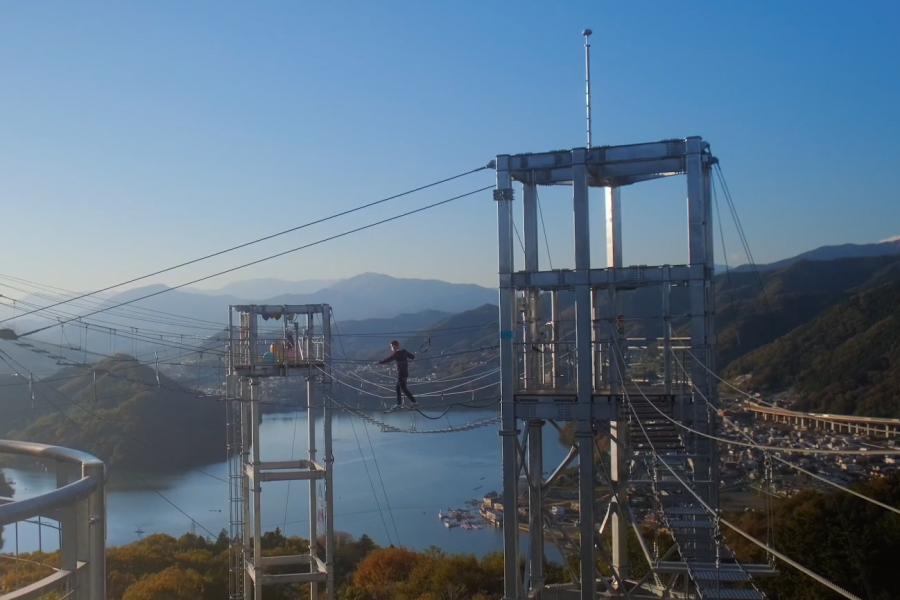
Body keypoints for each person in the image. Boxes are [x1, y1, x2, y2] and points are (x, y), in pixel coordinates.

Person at [378, 340, 418, 410]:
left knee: (403, 388)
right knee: (398, 388)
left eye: (391, 347)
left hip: (401, 373)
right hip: (405, 373)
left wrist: (380, 362)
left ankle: (414, 402)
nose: (391, 348)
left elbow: (389, 359)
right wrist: (407, 359)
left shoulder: (397, 353)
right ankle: (399, 404)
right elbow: (412, 357)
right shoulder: (404, 351)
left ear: (394, 346)